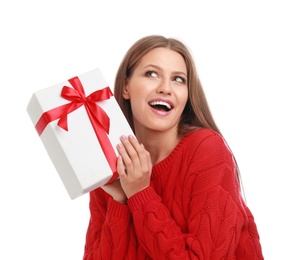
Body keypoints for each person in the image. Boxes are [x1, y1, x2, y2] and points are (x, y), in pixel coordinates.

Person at [83, 35, 264, 259]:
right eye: (151, 74)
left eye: (178, 79)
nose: (165, 88)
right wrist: (120, 201)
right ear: (126, 87)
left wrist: (140, 194)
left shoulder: (207, 150)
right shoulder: (113, 160)